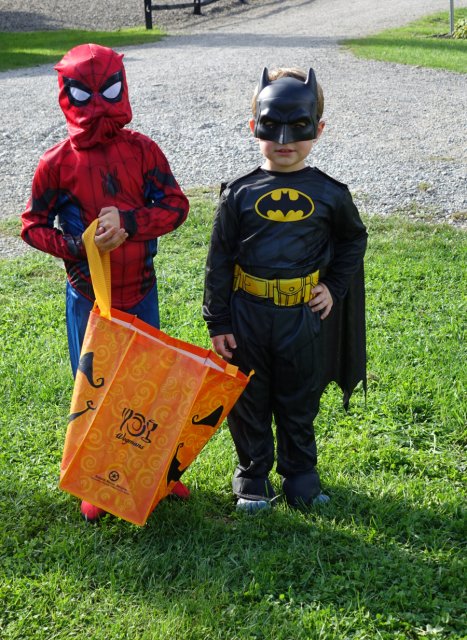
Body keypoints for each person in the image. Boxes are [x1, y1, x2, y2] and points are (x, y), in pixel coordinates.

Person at [21, 43, 191, 521]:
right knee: (94, 386)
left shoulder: (143, 151)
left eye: (107, 90)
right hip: (88, 297)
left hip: (141, 288)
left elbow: (177, 205)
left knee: (150, 386)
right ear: (67, 94)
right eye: (84, 93)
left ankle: (156, 472)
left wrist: (133, 223)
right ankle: (96, 478)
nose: (97, 105)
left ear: (121, 86)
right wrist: (79, 246)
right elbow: (32, 225)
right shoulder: (56, 163)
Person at [203, 66, 368, 512]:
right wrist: (217, 319)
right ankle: (253, 476)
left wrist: (334, 286)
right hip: (247, 315)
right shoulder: (238, 194)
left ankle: (300, 475)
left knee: (299, 396)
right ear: (252, 126)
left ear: (319, 129)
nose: (283, 140)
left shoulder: (331, 194)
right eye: (270, 126)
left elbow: (354, 239)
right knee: (249, 396)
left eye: (298, 127)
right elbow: (219, 259)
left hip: (301, 317)